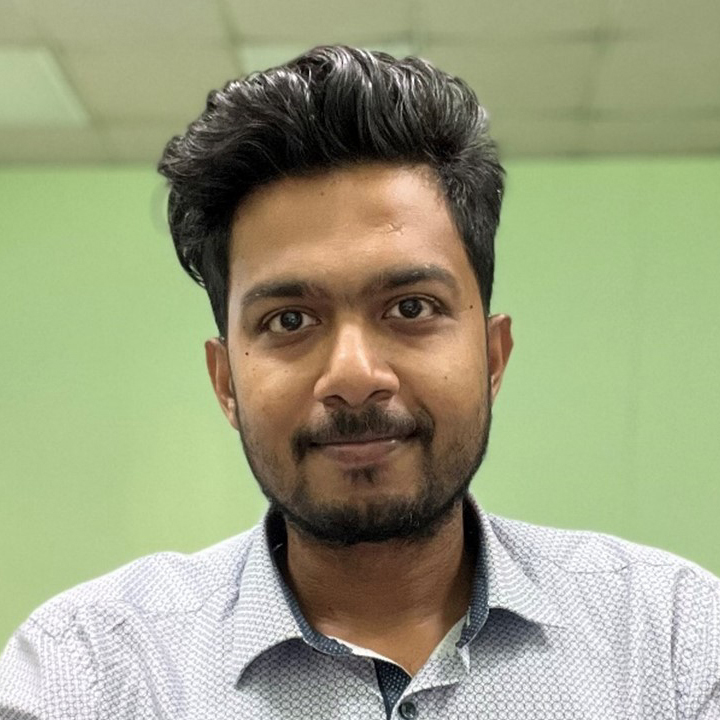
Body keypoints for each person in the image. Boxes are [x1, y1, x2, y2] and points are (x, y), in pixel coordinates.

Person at [1, 45, 718, 720]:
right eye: (288, 320)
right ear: (226, 383)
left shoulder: (673, 640)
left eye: (411, 308)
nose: (353, 375)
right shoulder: (92, 670)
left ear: (493, 356)